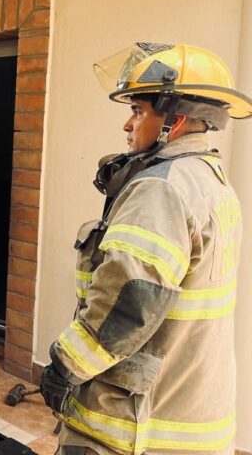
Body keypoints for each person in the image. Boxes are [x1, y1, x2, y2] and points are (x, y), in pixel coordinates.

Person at [40, 43, 249, 455]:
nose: (127, 125)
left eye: (138, 111)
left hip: (134, 430)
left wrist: (64, 367)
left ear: (176, 118)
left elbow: (127, 303)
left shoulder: (161, 189)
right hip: (192, 415)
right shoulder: (211, 180)